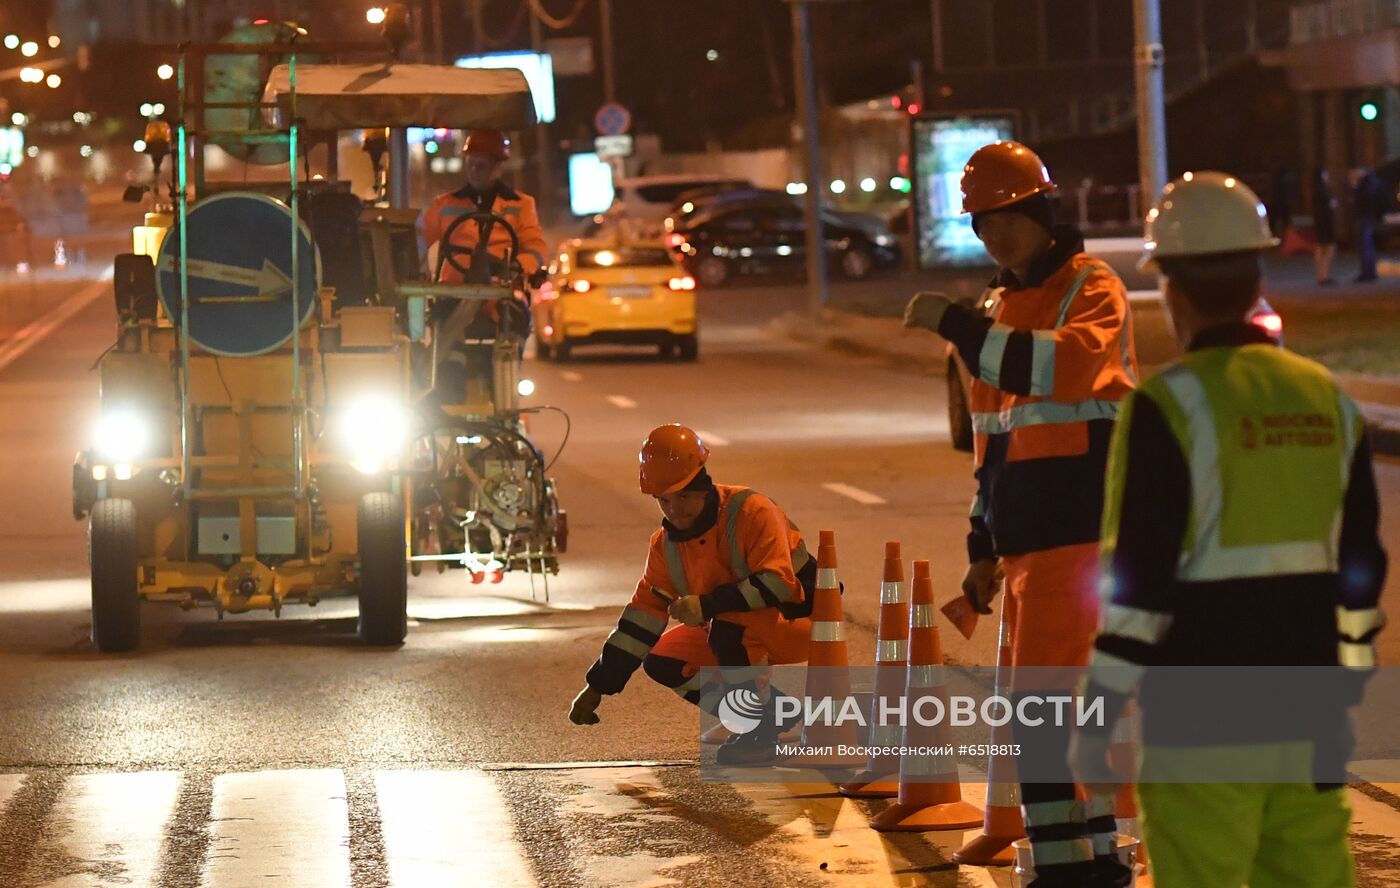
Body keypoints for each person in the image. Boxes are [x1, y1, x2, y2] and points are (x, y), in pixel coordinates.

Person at [1071, 171, 1387, 888]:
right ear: (1256, 278)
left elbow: (1139, 589)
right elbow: (1362, 567)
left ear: (1172, 291)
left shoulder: (1165, 405)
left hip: (1202, 717)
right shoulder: (1329, 400)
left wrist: (1099, 714)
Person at [904, 140, 1138, 888]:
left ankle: (1077, 868)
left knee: (1047, 712)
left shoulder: (1090, 286)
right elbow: (992, 439)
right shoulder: (999, 308)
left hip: (1086, 535)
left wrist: (962, 330)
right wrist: (982, 545)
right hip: (1031, 548)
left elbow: (1063, 365)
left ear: (1042, 210)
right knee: (1047, 715)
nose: (997, 233)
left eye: (1009, 215)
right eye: (982, 222)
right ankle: (1085, 860)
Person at [568, 424, 817, 767]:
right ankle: (773, 711)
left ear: (702, 483)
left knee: (728, 625)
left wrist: (707, 605)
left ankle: (760, 731)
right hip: (738, 632)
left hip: (802, 621)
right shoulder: (664, 546)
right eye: (664, 500)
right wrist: (597, 686)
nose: (675, 510)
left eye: (683, 496)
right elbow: (641, 620)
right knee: (663, 659)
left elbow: (779, 584)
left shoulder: (751, 511)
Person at [416, 130, 551, 404]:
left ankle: (503, 391)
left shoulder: (521, 205)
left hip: (502, 296)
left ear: (497, 167)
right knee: (445, 330)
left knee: (512, 326)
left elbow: (535, 248)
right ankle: (447, 388)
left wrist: (511, 267)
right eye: (471, 164)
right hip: (455, 293)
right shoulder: (445, 205)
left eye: (481, 165)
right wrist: (415, 272)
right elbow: (418, 240)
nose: (475, 171)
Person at [1350, 166, 1385, 283]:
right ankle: (1370, 272)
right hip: (1369, 217)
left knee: (1364, 246)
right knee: (1368, 246)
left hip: (1365, 217)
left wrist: (1355, 188)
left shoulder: (1366, 184)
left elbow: (1361, 201)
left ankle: (1367, 273)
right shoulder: (1373, 182)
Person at [1313, 167, 1338, 285]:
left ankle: (1321, 275)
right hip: (1326, 222)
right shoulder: (1324, 191)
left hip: (1319, 222)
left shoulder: (1315, 190)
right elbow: (1331, 205)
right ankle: (1324, 275)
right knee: (1329, 248)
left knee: (1320, 248)